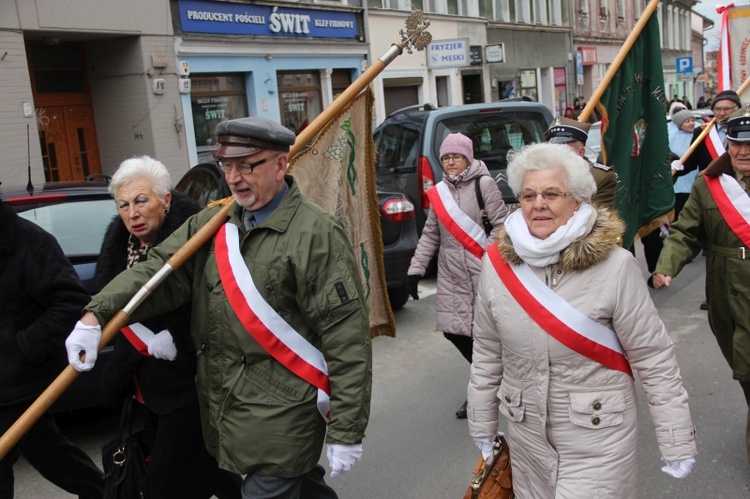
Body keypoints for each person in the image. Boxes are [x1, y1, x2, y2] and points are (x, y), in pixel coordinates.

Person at [65, 116, 372, 498]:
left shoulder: (316, 233)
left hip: (285, 411)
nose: (235, 177)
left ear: (281, 164)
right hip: (229, 404)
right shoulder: (213, 224)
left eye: (247, 165)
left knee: (268, 487)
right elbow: (158, 270)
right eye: (227, 165)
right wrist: (96, 315)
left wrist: (346, 428)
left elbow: (346, 335)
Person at [468, 142, 697, 498]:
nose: (538, 203)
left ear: (577, 200)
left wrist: (676, 440)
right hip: (527, 440)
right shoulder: (495, 266)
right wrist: (482, 423)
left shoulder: (616, 266)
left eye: (551, 194)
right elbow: (486, 350)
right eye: (528, 195)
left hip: (598, 440)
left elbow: (654, 357)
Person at [94, 156, 241, 498]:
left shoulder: (197, 234)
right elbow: (110, 298)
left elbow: (212, 299)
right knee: (211, 473)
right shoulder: (118, 242)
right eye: (124, 205)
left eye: (142, 201)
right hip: (144, 387)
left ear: (166, 199)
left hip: (189, 382)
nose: (133, 213)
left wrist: (176, 334)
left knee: (160, 485)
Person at [652, 106, 750, 463]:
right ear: (728, 144)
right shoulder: (709, 186)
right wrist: (666, 266)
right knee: (742, 368)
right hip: (725, 290)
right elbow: (685, 232)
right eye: (737, 143)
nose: (744, 151)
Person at [0, 199, 105, 498]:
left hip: (19, 379)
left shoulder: (29, 241)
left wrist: (19, 349)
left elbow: (70, 302)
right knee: (50, 452)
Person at [407, 133, 508, 419]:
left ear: (468, 157)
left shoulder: (484, 184)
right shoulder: (439, 191)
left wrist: (488, 257)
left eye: (457, 156)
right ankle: (491, 378)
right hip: (451, 273)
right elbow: (430, 235)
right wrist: (416, 270)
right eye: (447, 157)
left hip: (483, 270)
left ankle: (482, 390)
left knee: (486, 333)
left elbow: (500, 226)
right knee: (455, 331)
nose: (451, 162)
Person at [672, 89, 742, 309]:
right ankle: (713, 296)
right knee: (713, 247)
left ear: (736, 110)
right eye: (717, 109)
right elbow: (693, 161)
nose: (721, 113)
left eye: (726, 109)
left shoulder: (743, 130)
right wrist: (678, 167)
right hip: (713, 195)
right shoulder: (704, 131)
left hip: (740, 195)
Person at [545, 116, 617, 209]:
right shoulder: (538, 174)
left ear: (580, 152)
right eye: (554, 148)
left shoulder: (600, 177)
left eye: (564, 149)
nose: (557, 153)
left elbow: (595, 217)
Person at [669, 109, 698, 220]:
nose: (691, 123)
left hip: (694, 182)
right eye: (687, 121)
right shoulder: (670, 136)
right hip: (678, 185)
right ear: (680, 125)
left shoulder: (699, 135)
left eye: (692, 120)